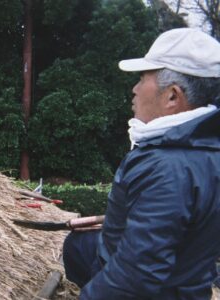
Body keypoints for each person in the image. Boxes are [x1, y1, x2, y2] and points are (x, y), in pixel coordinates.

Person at [63, 28, 220, 299]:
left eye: (142, 79)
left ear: (172, 96)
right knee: (79, 246)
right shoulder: (202, 149)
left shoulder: (169, 169)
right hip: (187, 280)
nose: (134, 90)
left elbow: (136, 276)